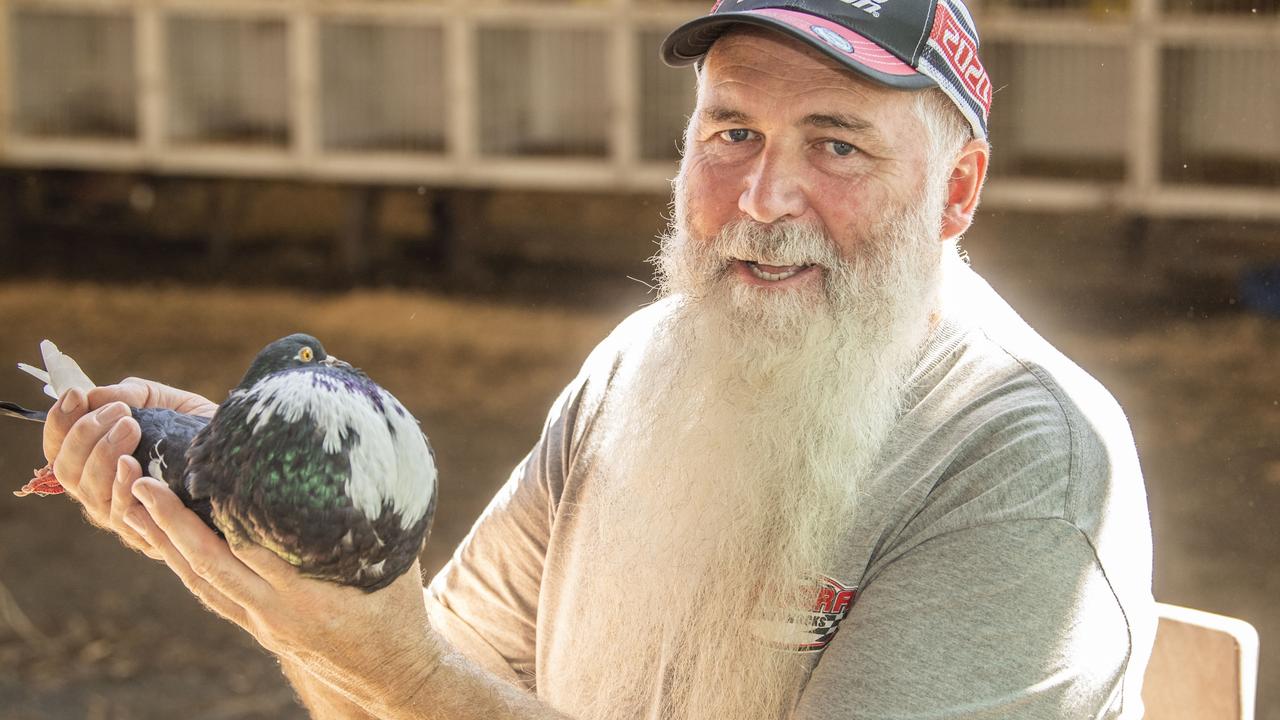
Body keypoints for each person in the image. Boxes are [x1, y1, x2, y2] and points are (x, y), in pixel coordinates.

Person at [42, 0, 1157, 717]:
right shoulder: (643, 369)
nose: (764, 200)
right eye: (731, 134)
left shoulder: (1021, 454)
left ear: (955, 192)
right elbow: (421, 682)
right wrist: (275, 557)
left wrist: (398, 667)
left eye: (836, 143)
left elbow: (423, 682)